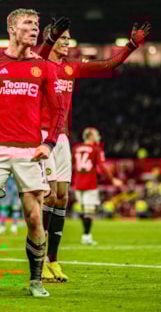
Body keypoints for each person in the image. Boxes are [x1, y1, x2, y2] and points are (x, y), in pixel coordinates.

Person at [0, 8, 65, 298]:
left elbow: (59, 110)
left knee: (34, 217)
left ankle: (35, 281)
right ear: (11, 29)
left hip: (30, 151)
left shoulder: (44, 67)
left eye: (37, 24)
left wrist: (49, 143)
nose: (34, 28)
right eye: (28, 23)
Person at [35, 17, 149, 281]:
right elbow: (41, 54)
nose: (67, 42)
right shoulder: (38, 65)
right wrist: (49, 38)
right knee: (49, 197)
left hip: (63, 138)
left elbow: (108, 64)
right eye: (62, 37)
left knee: (62, 196)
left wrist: (131, 46)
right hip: (40, 136)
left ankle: (53, 260)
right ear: (51, 38)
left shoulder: (71, 67)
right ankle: (38, 259)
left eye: (68, 38)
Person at [71, 127, 123, 246]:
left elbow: (71, 165)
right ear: (90, 136)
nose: (98, 136)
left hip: (77, 184)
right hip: (90, 184)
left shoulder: (75, 148)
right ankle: (86, 236)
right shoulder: (96, 149)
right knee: (89, 212)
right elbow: (102, 166)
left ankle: (86, 235)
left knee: (84, 211)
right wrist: (112, 179)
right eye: (96, 134)